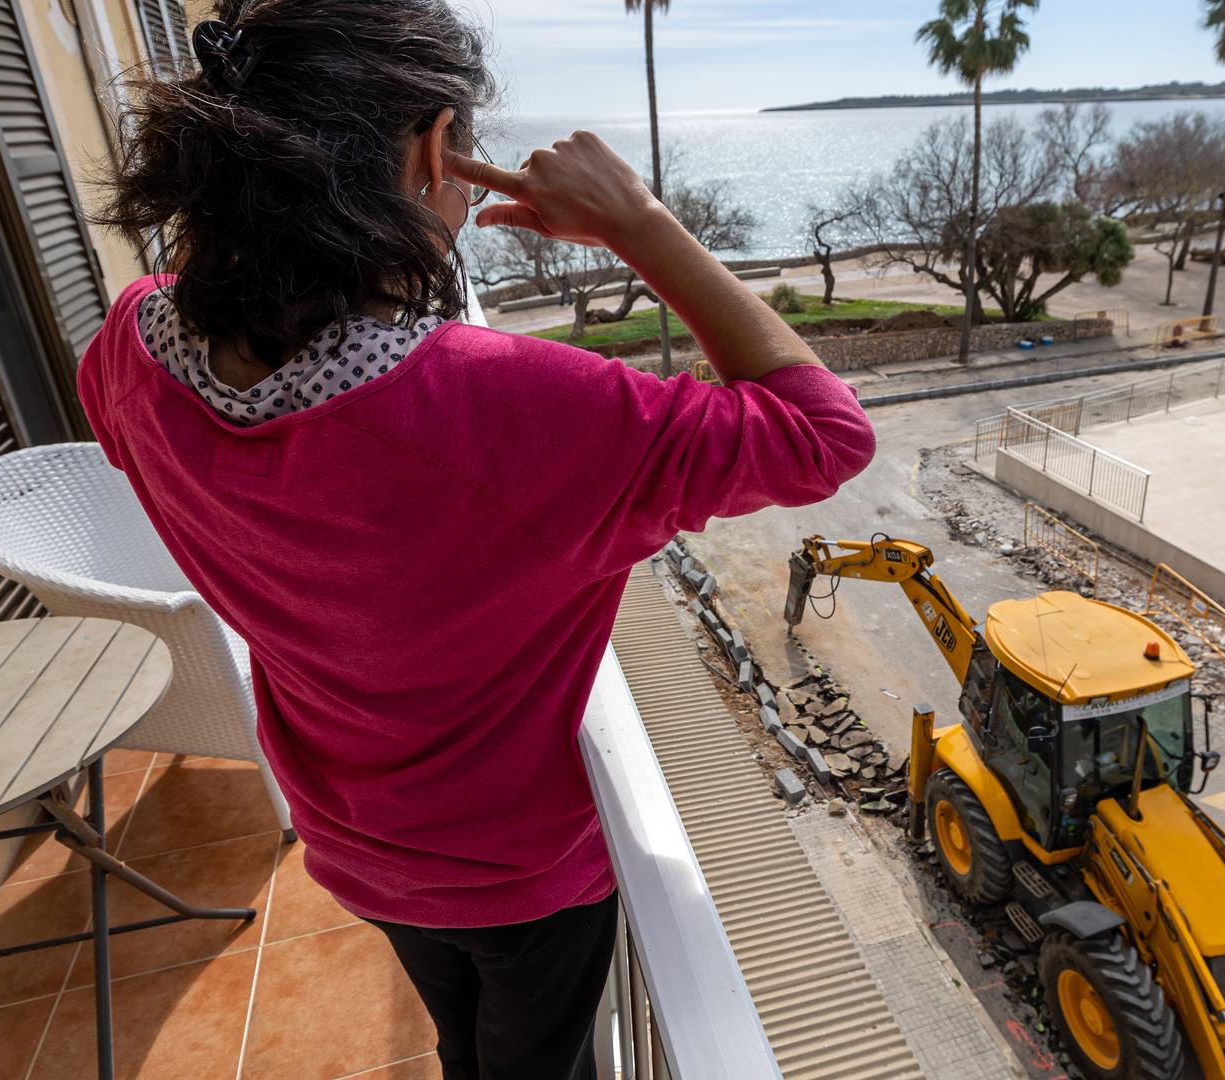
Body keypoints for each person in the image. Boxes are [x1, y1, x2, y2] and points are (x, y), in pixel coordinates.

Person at [78, 1, 876, 1077]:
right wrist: (639, 221)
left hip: (351, 840)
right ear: (433, 149)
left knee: (463, 1039)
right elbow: (824, 435)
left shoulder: (128, 351)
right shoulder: (519, 412)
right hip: (517, 873)